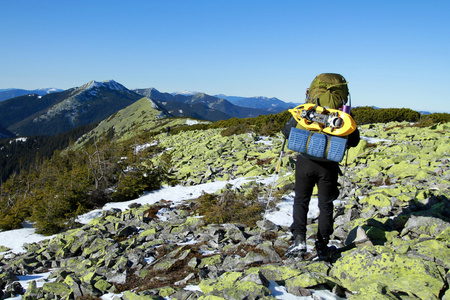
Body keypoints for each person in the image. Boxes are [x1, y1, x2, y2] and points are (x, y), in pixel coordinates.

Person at [283, 74, 360, 260]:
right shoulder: (343, 116)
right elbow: (355, 141)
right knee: (325, 205)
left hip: (305, 162)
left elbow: (286, 132)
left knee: (301, 199)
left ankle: (299, 240)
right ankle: (322, 244)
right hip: (329, 166)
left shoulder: (306, 111)